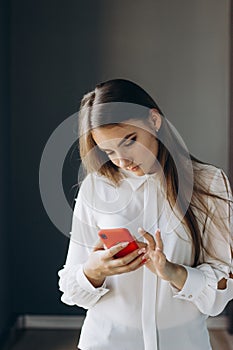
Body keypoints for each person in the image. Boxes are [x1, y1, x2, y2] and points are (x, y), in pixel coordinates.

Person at [58, 79, 233, 350]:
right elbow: (71, 287)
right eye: (108, 151)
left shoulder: (210, 184)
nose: (121, 160)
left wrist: (173, 272)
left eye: (129, 142)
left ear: (154, 120)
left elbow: (222, 287)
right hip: (104, 342)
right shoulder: (97, 186)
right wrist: (95, 270)